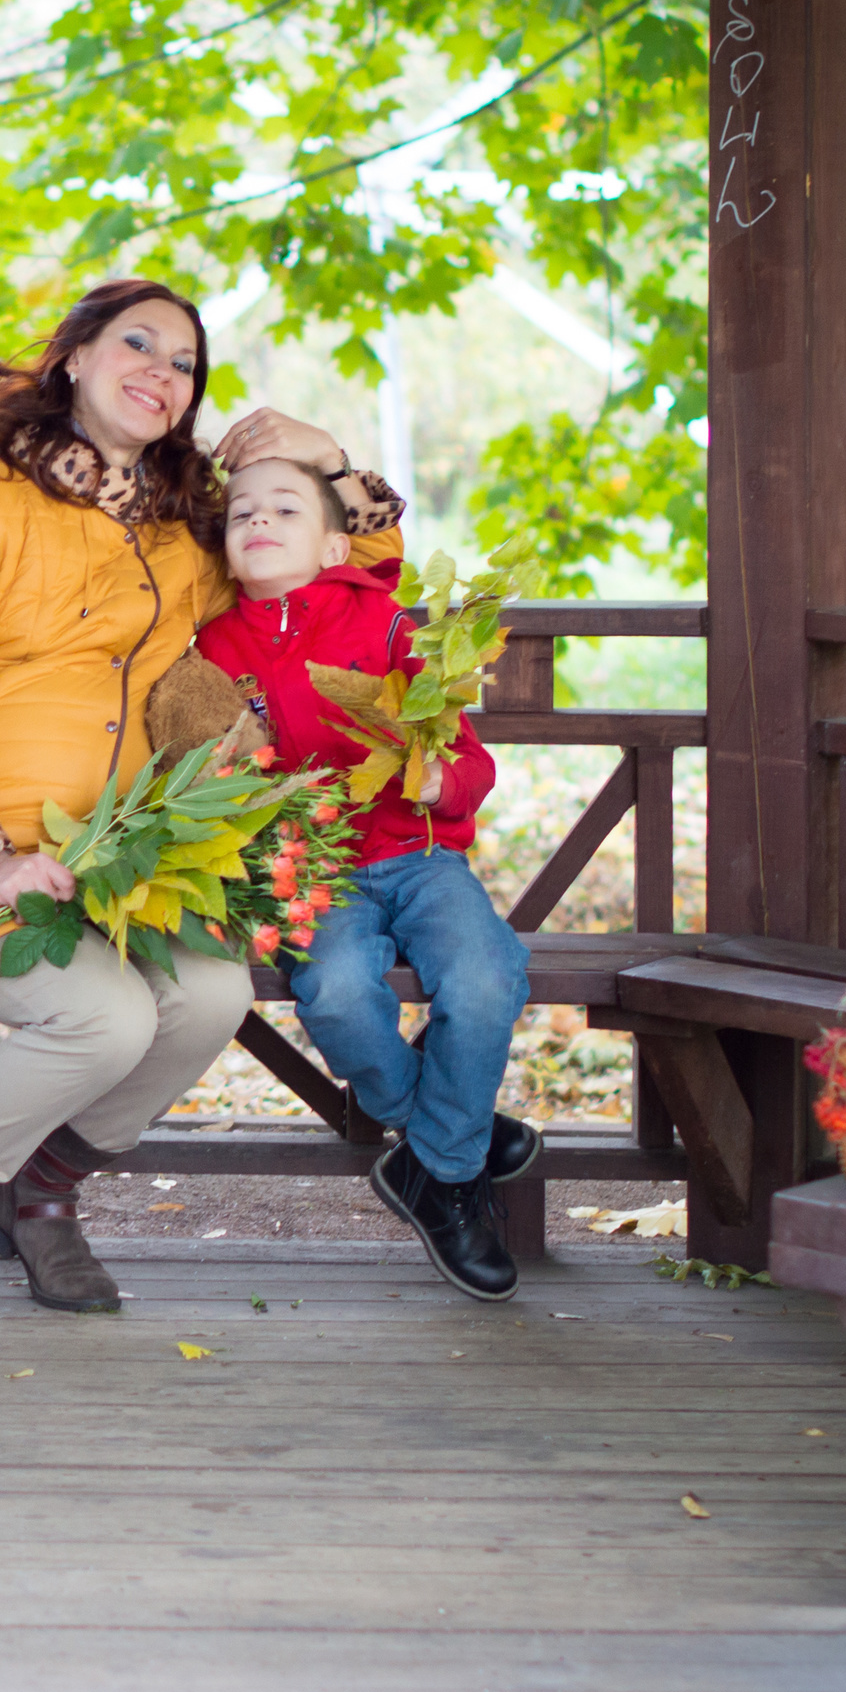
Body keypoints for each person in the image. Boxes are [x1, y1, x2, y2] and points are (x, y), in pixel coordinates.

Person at [0, 279, 406, 1330]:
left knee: (206, 997)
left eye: (183, 362)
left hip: (111, 859)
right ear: (72, 359)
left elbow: (350, 561)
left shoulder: (182, 529)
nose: (161, 370)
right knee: (101, 1015)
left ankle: (40, 1189)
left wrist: (325, 461)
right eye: (135, 344)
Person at [192, 458, 538, 1301]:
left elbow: (467, 758)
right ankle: (445, 1143)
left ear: (336, 543)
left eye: (284, 510)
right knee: (341, 992)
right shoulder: (209, 650)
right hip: (313, 871)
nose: (260, 523)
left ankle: (442, 1173)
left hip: (418, 855)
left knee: (487, 978)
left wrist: (437, 780)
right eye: (241, 515)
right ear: (223, 548)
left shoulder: (385, 629)